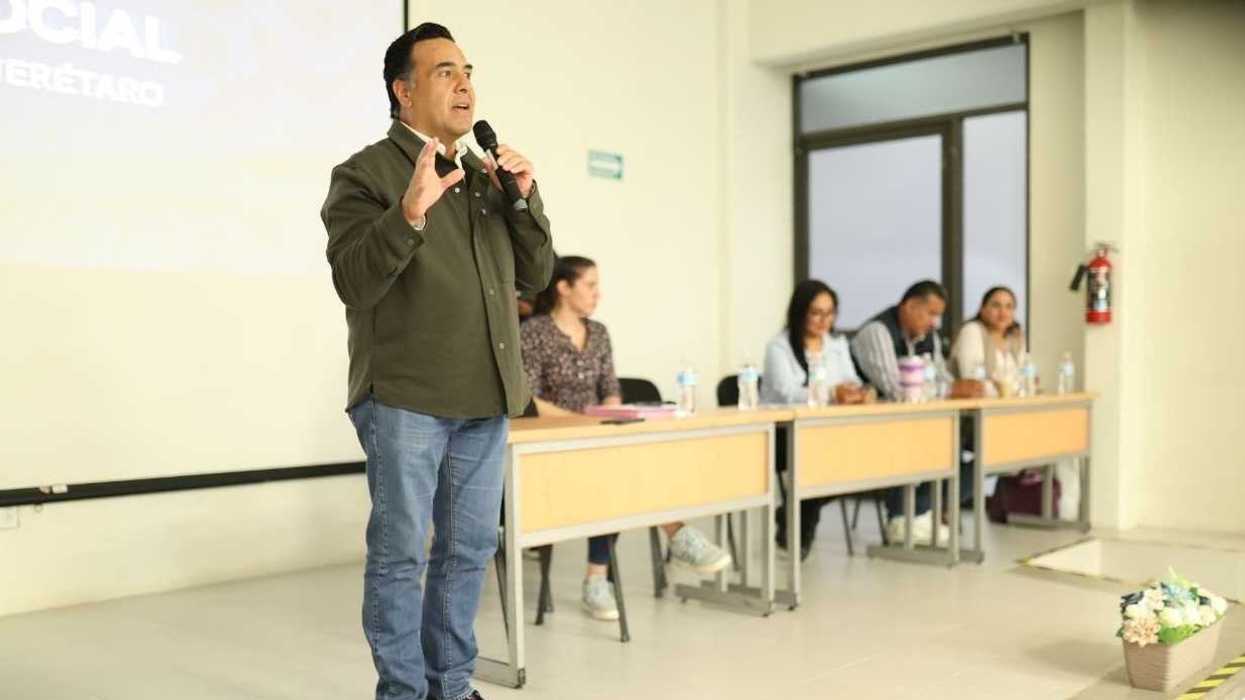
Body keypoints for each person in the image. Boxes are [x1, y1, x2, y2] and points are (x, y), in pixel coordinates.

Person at [321, 23, 553, 700]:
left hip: (485, 395)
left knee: (467, 552)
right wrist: (411, 211)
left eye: (468, 70)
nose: (464, 84)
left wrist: (524, 194)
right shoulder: (365, 172)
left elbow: (536, 274)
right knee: (400, 556)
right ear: (403, 90)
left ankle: (449, 686)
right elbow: (354, 281)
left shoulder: (485, 174)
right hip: (405, 396)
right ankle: (402, 692)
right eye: (445, 71)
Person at [520, 255, 731, 621]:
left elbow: (611, 389)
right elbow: (528, 400)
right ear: (563, 288)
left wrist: (611, 415)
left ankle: (603, 577)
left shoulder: (598, 332)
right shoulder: (534, 332)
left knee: (620, 465)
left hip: (599, 440)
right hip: (550, 444)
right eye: (590, 285)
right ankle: (672, 534)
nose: (597, 294)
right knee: (617, 471)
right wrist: (578, 422)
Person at [762, 280, 868, 559]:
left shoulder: (837, 345)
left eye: (829, 313)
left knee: (859, 462)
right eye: (816, 313)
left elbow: (852, 380)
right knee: (822, 461)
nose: (824, 320)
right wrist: (834, 392)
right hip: (784, 434)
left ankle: (792, 514)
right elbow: (786, 393)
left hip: (828, 431)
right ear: (800, 312)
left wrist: (857, 392)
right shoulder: (779, 347)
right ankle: (798, 524)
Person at [850, 280, 957, 546]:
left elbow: (944, 380)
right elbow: (897, 390)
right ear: (909, 306)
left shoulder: (927, 337)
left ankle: (922, 512)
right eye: (931, 314)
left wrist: (939, 388)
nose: (935, 323)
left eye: (938, 315)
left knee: (963, 439)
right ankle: (903, 518)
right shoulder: (878, 332)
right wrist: (940, 388)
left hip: (916, 422)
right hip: (871, 428)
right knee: (926, 435)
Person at [950, 286, 1026, 393]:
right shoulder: (972, 331)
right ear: (983, 309)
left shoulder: (1015, 337)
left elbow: (1023, 378)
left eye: (1009, 307)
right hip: (974, 405)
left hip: (1010, 404)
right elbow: (972, 379)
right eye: (996, 305)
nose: (1003, 313)